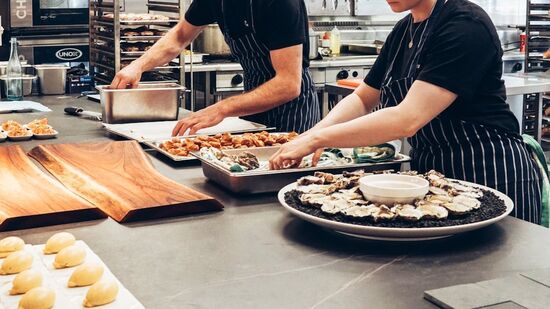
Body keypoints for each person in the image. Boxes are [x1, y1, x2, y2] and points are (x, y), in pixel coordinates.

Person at [269, 0, 543, 224]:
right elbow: (364, 98)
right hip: (433, 176)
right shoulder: (403, 32)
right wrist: (312, 134)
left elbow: (407, 119)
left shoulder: (465, 25)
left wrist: (319, 139)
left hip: (489, 170)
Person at [110, 0, 320, 135]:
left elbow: (288, 84)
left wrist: (221, 109)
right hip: (252, 103)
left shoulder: (280, 3)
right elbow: (180, 36)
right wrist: (137, 66)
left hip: (292, 113)